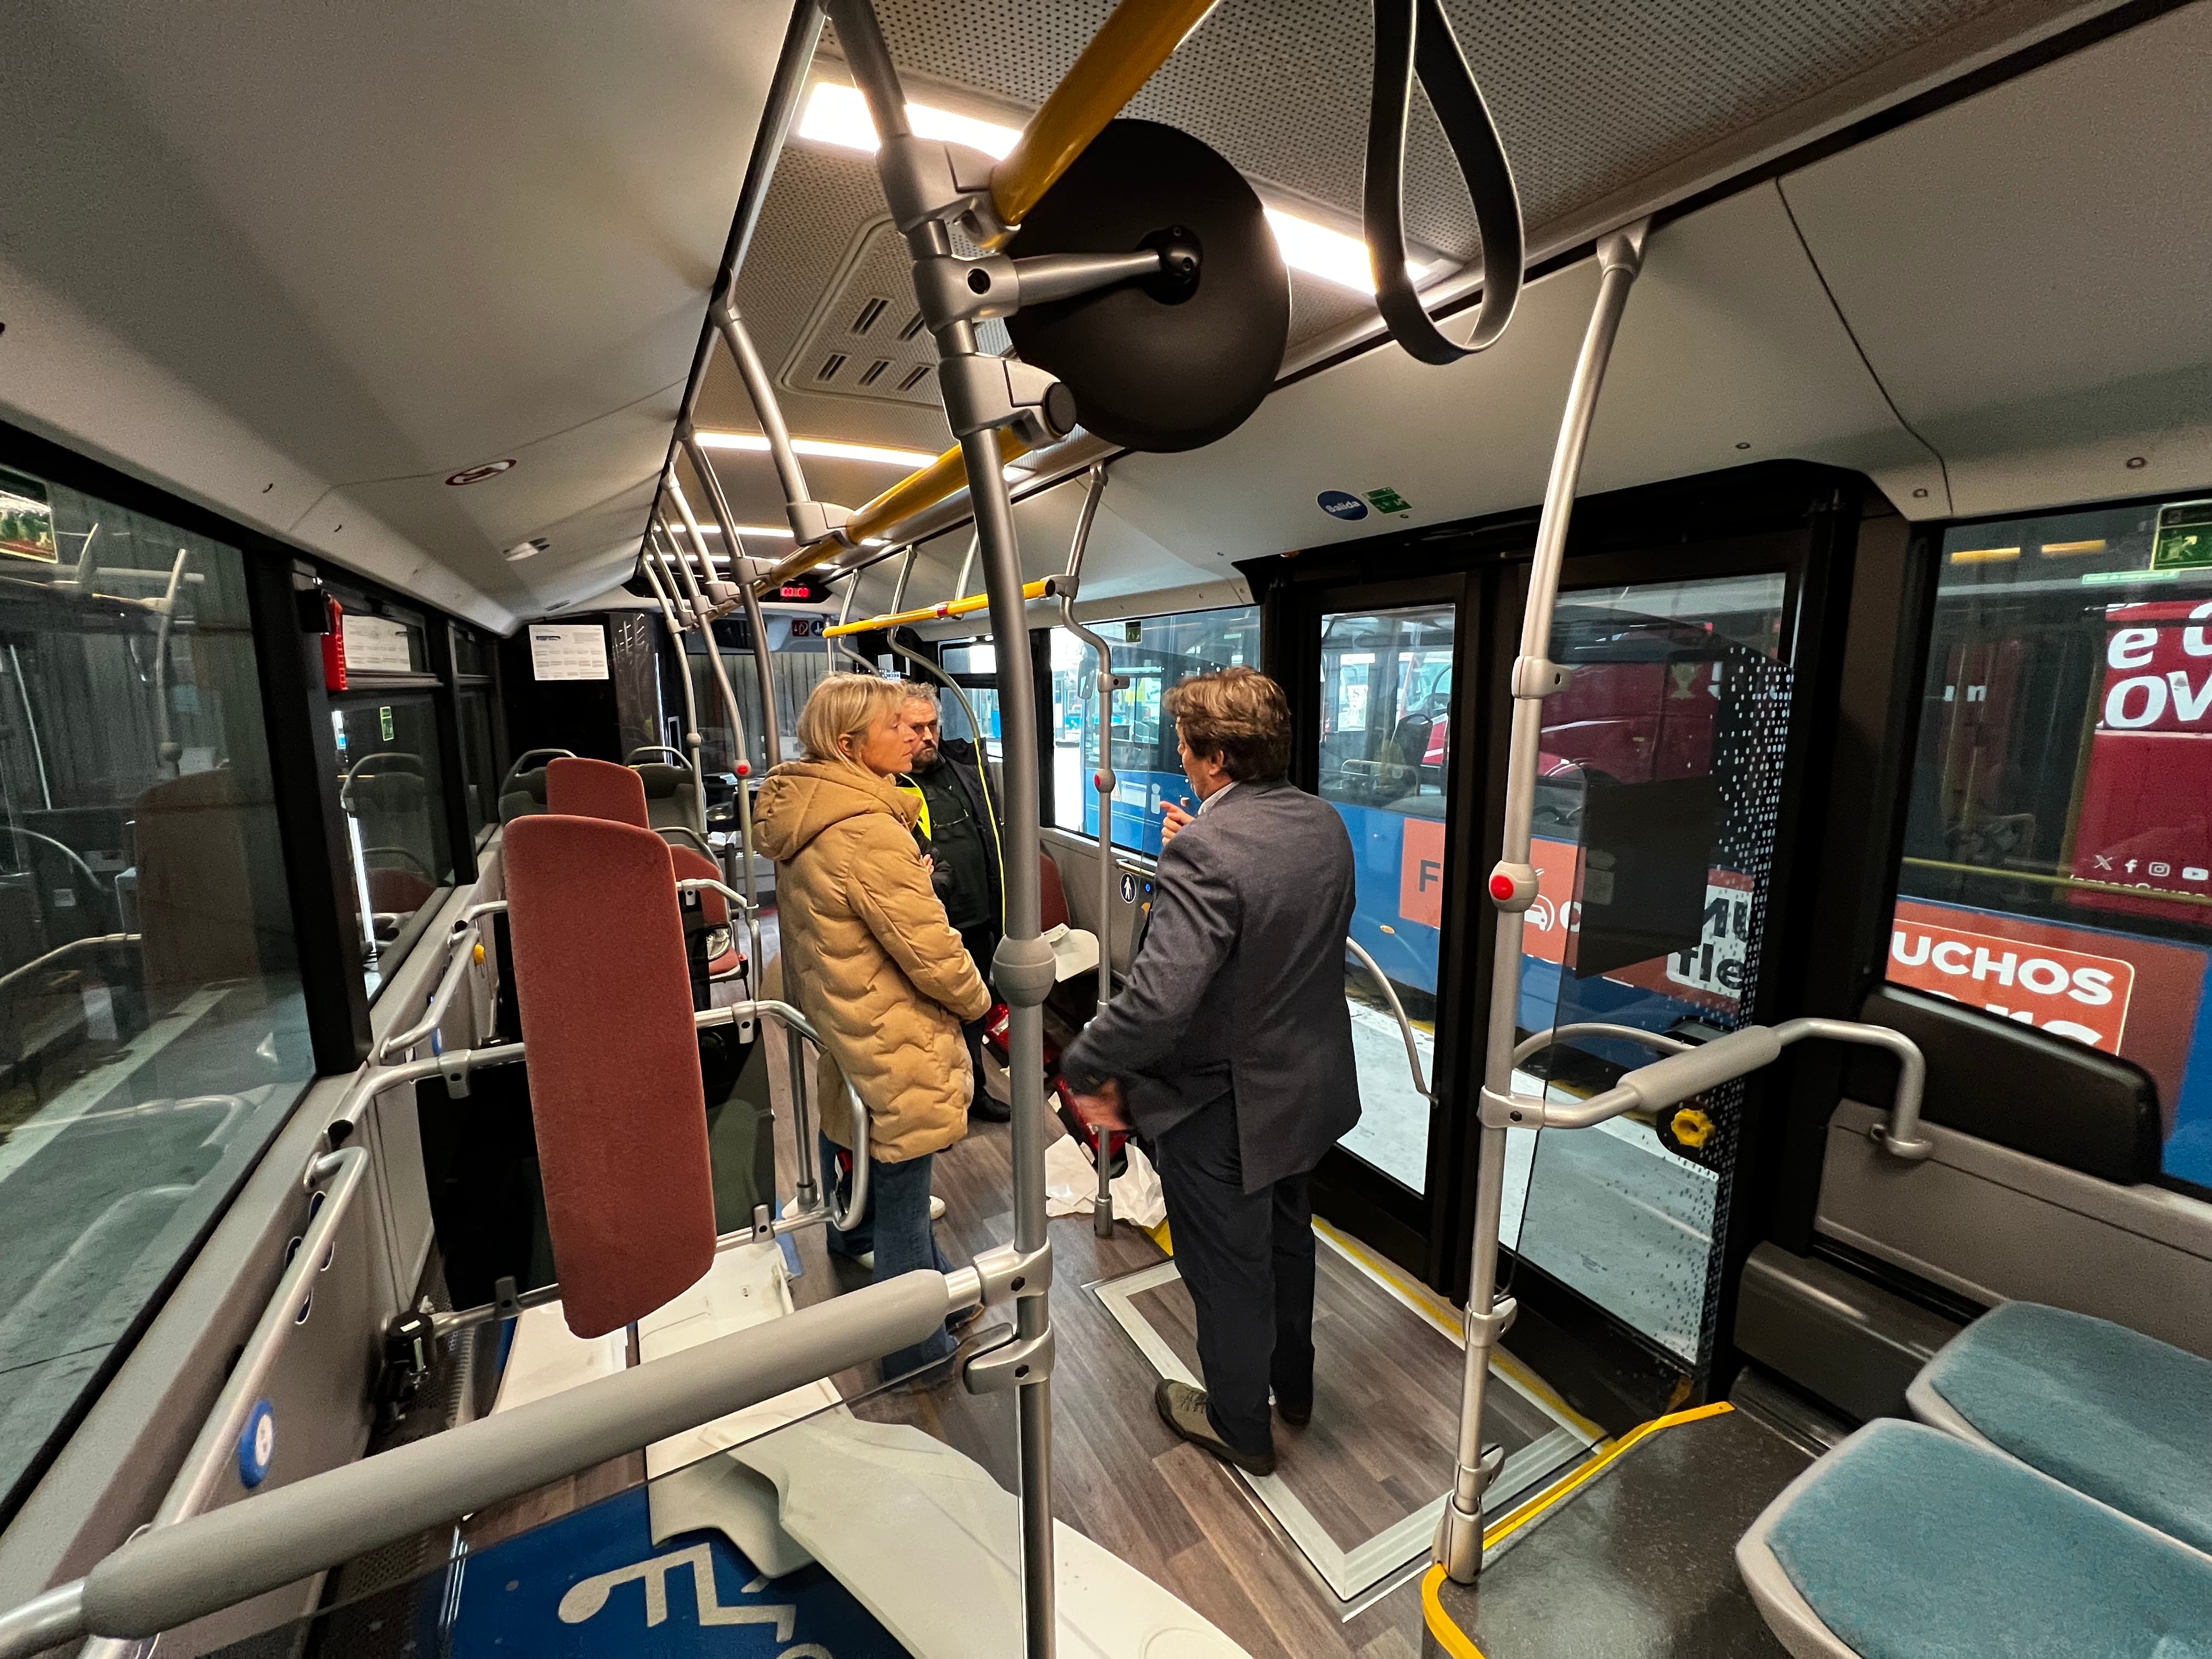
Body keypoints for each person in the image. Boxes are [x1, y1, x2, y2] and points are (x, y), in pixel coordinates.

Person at [1062, 666, 1359, 1476]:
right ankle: (1292, 1389)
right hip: (1306, 1089)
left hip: (1223, 1106)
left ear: (1217, 758)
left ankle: (1240, 1426)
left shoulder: (1209, 850)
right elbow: (1272, 935)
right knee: (1288, 1245)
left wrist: (1082, 1057)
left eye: (1188, 748)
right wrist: (1188, 848)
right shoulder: (1321, 822)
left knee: (1228, 1271)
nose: (1183, 758)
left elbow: (1158, 1003)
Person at [752, 673, 994, 1379]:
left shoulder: (817, 814)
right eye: (899, 726)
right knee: (905, 1201)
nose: (916, 739)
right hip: (893, 1031)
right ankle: (914, 1352)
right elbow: (930, 951)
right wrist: (983, 1003)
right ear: (851, 743)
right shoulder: (865, 831)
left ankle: (938, 1300)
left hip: (852, 1018)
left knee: (893, 1186)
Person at [896, 681, 1009, 1122]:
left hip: (979, 917)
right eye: (916, 728)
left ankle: (974, 1093)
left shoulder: (965, 770)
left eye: (933, 726)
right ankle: (931, 1110)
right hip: (929, 925)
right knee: (927, 1025)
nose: (928, 736)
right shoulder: (891, 785)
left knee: (973, 1013)